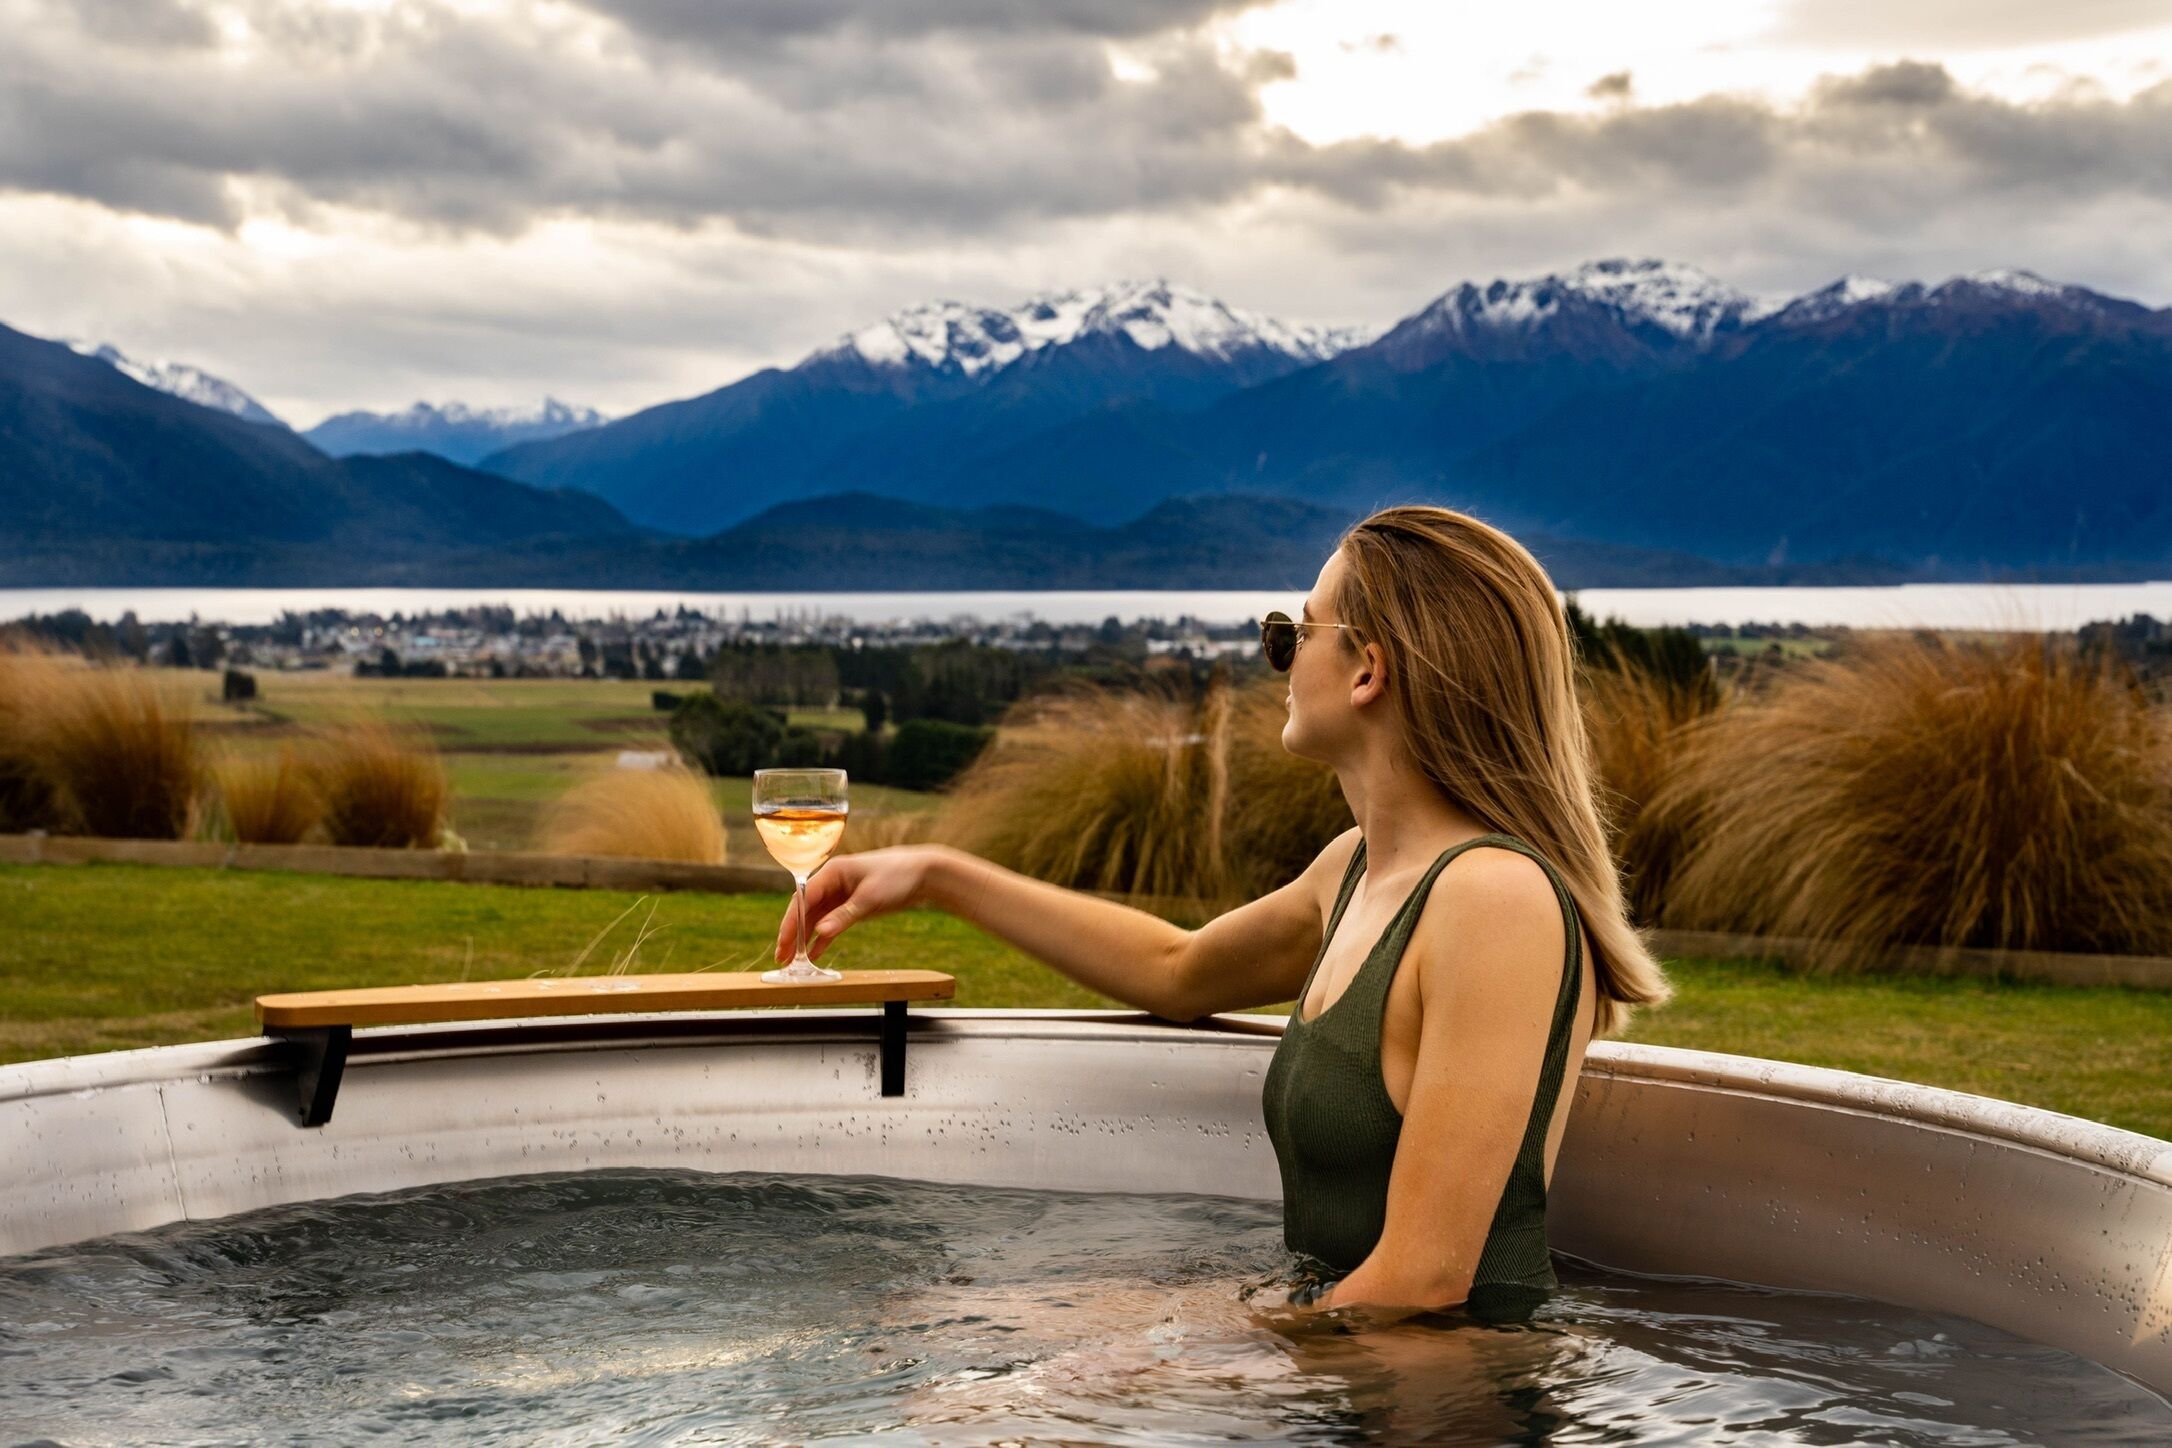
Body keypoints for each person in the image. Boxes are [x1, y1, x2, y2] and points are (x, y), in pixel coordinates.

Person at [771, 504, 1671, 1323]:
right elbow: (1177, 972)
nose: (1276, 657)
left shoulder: (1493, 900)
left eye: (1293, 632)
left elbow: (1426, 1281)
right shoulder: (1356, 872)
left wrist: (1183, 1353)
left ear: (1368, 671)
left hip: (1444, 1408)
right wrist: (939, 874)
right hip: (1341, 1370)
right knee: (941, 1328)